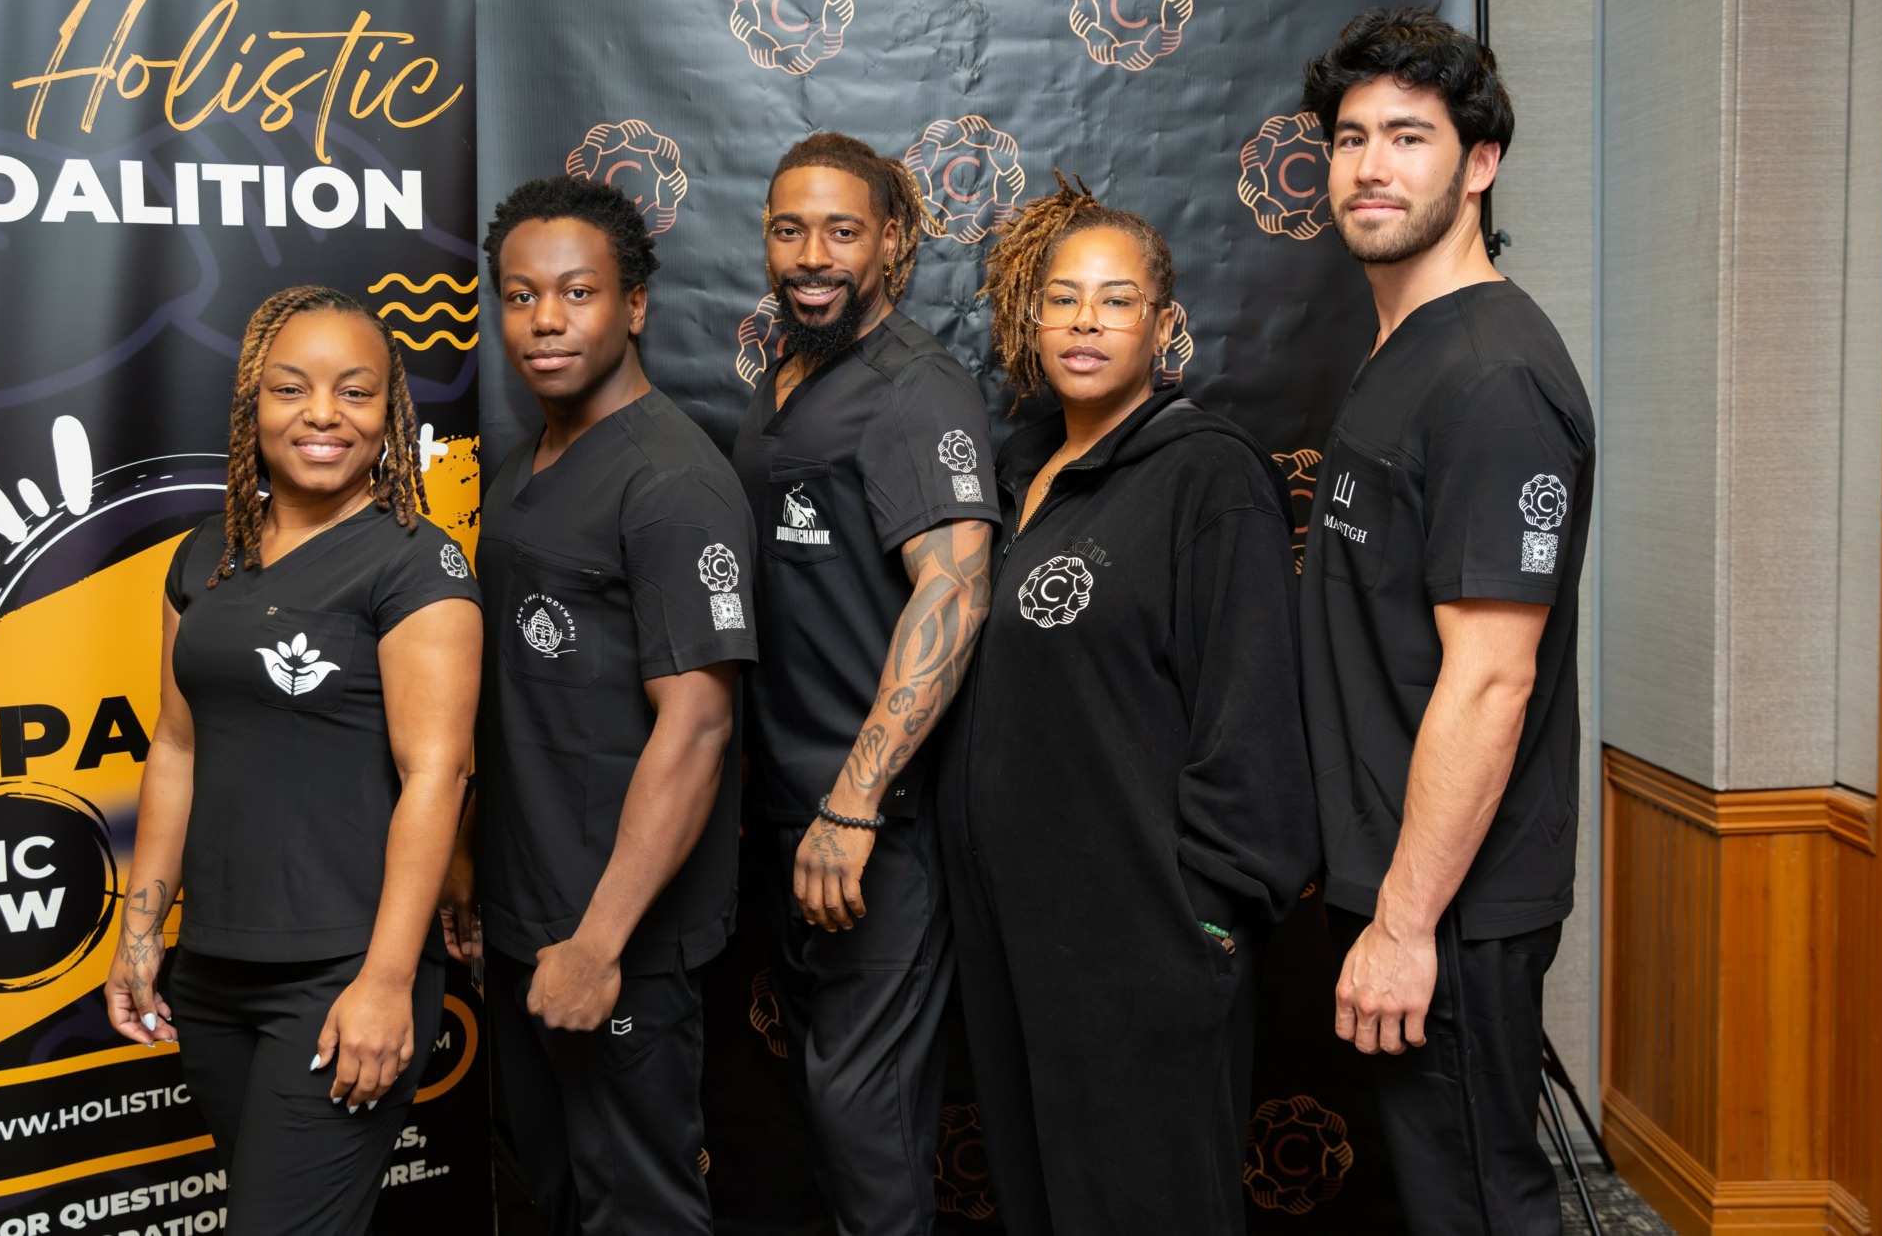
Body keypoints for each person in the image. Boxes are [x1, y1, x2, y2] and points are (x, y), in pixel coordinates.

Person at [939, 175, 1316, 1234]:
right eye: (1062, 299)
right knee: (1043, 1198)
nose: (1085, 323)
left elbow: (1250, 706)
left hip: (1143, 934)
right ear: (1031, 319)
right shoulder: (1020, 473)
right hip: (1018, 933)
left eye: (1115, 301)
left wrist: (1210, 913)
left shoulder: (1208, 478)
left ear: (1163, 324)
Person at [1299, 5, 1595, 1235]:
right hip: (1398, 879)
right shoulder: (1408, 346)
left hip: (1450, 904)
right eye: (1350, 137)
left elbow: (1489, 677)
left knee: (1476, 1203)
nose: (1370, 166)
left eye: (1408, 137)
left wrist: (1406, 922)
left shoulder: (1489, 376)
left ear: (1478, 164)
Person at [103, 285, 481, 1234]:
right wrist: (141, 931)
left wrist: (386, 982)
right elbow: (177, 746)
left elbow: (439, 775)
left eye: (355, 391)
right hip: (213, 969)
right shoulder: (205, 556)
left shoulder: (414, 563)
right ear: (253, 406)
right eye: (291, 388)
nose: (323, 414)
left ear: (390, 414)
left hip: (341, 969)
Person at [440, 176, 757, 1233]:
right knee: (556, 1196)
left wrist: (598, 942)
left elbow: (699, 726)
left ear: (634, 305)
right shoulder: (525, 460)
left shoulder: (672, 482)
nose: (545, 320)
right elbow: (518, 698)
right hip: (527, 908)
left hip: (616, 933)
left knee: (638, 1207)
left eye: (577, 292)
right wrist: (470, 855)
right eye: (521, 295)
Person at [730, 132, 997, 1236]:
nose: (812, 255)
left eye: (842, 230)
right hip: (785, 821)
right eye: (789, 230)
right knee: (826, 1125)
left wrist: (854, 802)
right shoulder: (786, 378)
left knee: (865, 1127)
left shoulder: (915, 389)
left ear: (892, 241)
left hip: (875, 830)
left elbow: (955, 590)